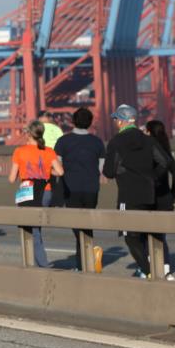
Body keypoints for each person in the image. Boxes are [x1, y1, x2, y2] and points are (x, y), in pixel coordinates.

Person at [102, 105, 168, 279]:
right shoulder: (147, 140)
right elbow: (164, 162)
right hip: (149, 193)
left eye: (116, 118)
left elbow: (108, 171)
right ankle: (151, 268)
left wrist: (120, 171)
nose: (114, 121)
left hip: (128, 195)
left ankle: (148, 271)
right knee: (146, 232)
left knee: (130, 236)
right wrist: (153, 177)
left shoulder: (116, 142)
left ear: (122, 121)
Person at [55, 107, 106, 270]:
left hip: (71, 188)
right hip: (92, 188)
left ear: (73, 121)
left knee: (76, 224)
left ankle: (86, 258)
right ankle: (85, 261)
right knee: (87, 224)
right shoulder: (97, 142)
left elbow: (57, 165)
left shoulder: (63, 141)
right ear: (90, 122)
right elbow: (101, 167)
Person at [9, 120, 65, 268]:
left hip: (26, 191)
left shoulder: (19, 151)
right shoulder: (48, 151)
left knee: (30, 231)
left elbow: (11, 178)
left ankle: (40, 265)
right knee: (35, 229)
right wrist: (46, 172)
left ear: (28, 133)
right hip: (45, 192)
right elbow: (60, 172)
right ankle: (35, 263)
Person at [145, 120, 175, 281]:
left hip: (149, 198)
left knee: (146, 234)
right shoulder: (166, 151)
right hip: (165, 199)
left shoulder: (147, 148)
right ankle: (166, 269)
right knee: (161, 236)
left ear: (148, 132)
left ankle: (150, 267)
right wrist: (172, 195)